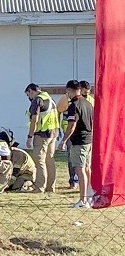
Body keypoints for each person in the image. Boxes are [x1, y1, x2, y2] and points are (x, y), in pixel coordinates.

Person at [58, 80, 94, 208]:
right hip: (89, 139)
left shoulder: (74, 105)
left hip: (79, 141)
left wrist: (64, 140)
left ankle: (83, 200)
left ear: (69, 90)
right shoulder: (89, 103)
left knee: (79, 169)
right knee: (87, 168)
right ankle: (90, 196)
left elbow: (72, 125)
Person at [24, 83, 60, 193]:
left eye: (28, 95)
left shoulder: (37, 100)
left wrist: (30, 137)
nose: (29, 98)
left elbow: (34, 120)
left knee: (39, 161)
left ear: (31, 91)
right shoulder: (50, 99)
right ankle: (50, 187)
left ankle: (40, 187)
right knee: (49, 160)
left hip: (41, 134)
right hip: (53, 133)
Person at [55, 91, 77, 189]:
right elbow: (57, 112)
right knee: (71, 157)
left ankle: (82, 180)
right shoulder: (65, 99)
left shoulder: (89, 100)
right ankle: (73, 180)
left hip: (83, 134)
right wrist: (57, 128)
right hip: (69, 133)